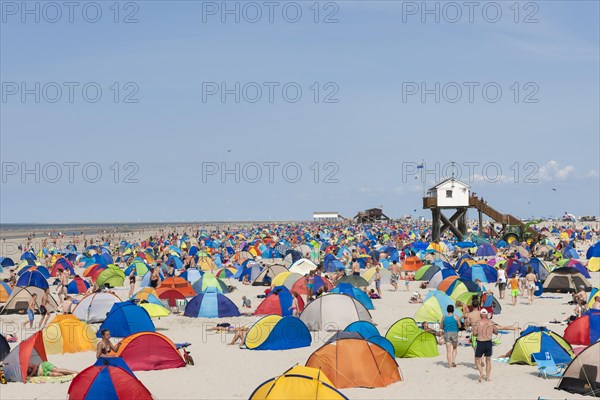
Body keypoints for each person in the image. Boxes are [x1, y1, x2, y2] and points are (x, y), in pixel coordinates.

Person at [473, 309, 498, 382]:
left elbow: (474, 333)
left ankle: (481, 372)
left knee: (477, 359)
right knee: (488, 360)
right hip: (488, 342)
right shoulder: (491, 322)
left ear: (480, 315)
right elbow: (496, 332)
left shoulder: (478, 322)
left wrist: (479, 333)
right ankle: (487, 378)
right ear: (487, 315)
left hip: (480, 342)